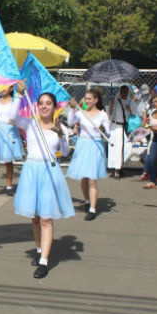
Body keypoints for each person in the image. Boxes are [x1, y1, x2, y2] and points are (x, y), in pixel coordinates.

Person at [10, 83, 74, 278]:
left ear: (54, 107)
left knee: (46, 217)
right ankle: (39, 250)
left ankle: (44, 262)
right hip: (31, 170)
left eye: (48, 103)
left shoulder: (60, 126)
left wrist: (61, 135)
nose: (44, 106)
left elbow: (65, 152)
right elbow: (12, 118)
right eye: (41, 103)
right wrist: (19, 95)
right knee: (35, 218)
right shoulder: (30, 123)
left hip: (49, 172)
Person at [66, 88, 110, 221]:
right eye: (85, 98)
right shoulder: (81, 113)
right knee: (84, 178)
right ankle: (87, 201)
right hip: (83, 145)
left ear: (96, 100)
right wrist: (72, 109)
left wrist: (103, 130)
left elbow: (108, 134)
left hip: (95, 146)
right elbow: (70, 122)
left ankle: (93, 209)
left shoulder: (103, 115)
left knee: (92, 178)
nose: (86, 100)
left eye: (89, 98)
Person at [107, 84, 133, 178]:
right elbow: (110, 115)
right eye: (122, 92)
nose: (124, 94)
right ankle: (117, 170)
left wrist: (129, 109)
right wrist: (111, 104)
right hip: (116, 127)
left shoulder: (129, 102)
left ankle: (120, 165)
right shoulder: (116, 101)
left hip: (125, 128)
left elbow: (133, 115)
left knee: (128, 148)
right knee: (117, 149)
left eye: (126, 92)